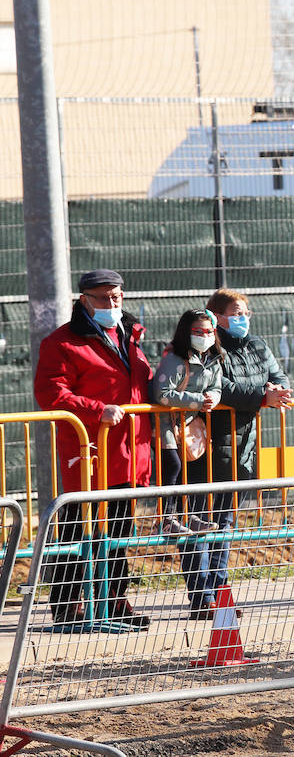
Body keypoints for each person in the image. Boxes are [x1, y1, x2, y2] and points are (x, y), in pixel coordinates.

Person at [33, 269, 153, 628]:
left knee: (119, 531)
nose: (111, 303)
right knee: (77, 530)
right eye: (103, 297)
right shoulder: (62, 342)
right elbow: (51, 393)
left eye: (116, 296)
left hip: (129, 452)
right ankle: (68, 604)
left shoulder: (130, 334)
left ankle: (113, 599)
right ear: (84, 300)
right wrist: (97, 410)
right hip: (89, 452)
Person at [191, 289, 291, 604]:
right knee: (200, 523)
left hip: (243, 448)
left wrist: (277, 389)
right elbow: (219, 386)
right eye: (236, 313)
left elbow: (279, 376)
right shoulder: (207, 346)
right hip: (207, 448)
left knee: (225, 522)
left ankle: (219, 592)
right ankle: (202, 595)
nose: (243, 318)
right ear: (216, 316)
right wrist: (262, 396)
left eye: (246, 313)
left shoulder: (258, 346)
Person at [148, 309, 226, 617]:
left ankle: (189, 516)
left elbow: (216, 386)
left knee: (192, 473)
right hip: (168, 424)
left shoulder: (214, 359)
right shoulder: (174, 359)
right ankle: (167, 517)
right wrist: (195, 401)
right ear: (186, 332)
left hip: (191, 426)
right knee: (172, 466)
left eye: (208, 331)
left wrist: (213, 399)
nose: (204, 336)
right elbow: (161, 393)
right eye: (198, 331)